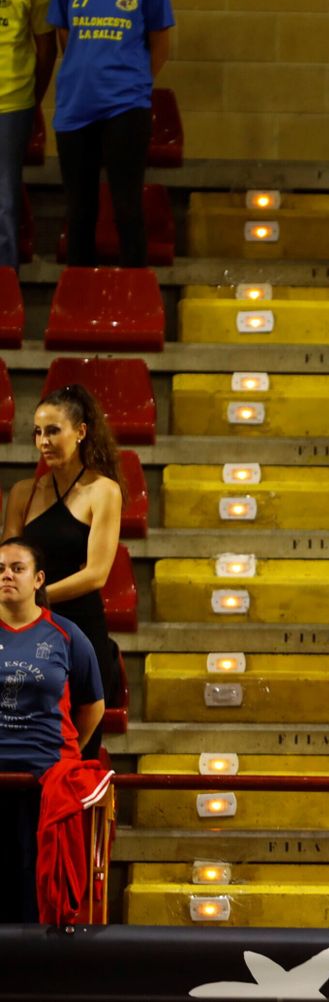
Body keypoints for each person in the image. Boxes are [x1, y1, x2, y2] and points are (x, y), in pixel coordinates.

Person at [4, 387, 122, 757]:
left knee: (74, 750)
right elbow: (8, 559)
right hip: (27, 627)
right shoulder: (24, 492)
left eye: (53, 431)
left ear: (81, 432)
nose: (43, 441)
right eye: (37, 433)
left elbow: (96, 574)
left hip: (80, 629)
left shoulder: (103, 491)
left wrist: (38, 597)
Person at [48, 0, 172, 268]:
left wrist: (135, 81)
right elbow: (65, 40)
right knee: (79, 210)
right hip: (75, 107)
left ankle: (134, 299)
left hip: (126, 107)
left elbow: (160, 43)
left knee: (127, 207)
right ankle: (78, 300)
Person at [0, 537, 102, 924]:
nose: (6, 575)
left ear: (39, 579)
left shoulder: (67, 634)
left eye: (17, 568)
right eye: (0, 569)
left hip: (43, 781)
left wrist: (60, 752)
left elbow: (93, 706)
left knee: (33, 878)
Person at [0, 0, 52, 269]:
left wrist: (34, 99)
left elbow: (46, 48)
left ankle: (4, 284)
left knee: (4, 197)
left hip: (12, 102)